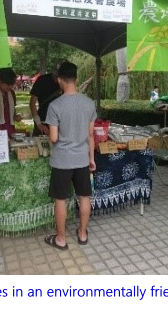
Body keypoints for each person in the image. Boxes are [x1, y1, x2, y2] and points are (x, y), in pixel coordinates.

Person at [43, 61, 97, 250]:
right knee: (84, 197)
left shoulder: (55, 106)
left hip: (62, 160)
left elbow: (54, 138)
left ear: (59, 80)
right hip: (82, 158)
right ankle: (82, 234)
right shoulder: (89, 103)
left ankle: (61, 239)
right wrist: (91, 159)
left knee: (61, 200)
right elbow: (90, 135)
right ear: (76, 78)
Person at [29, 67, 62, 136]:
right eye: (56, 77)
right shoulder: (42, 80)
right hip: (43, 121)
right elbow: (32, 103)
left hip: (59, 123)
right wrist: (39, 124)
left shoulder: (65, 83)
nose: (58, 80)